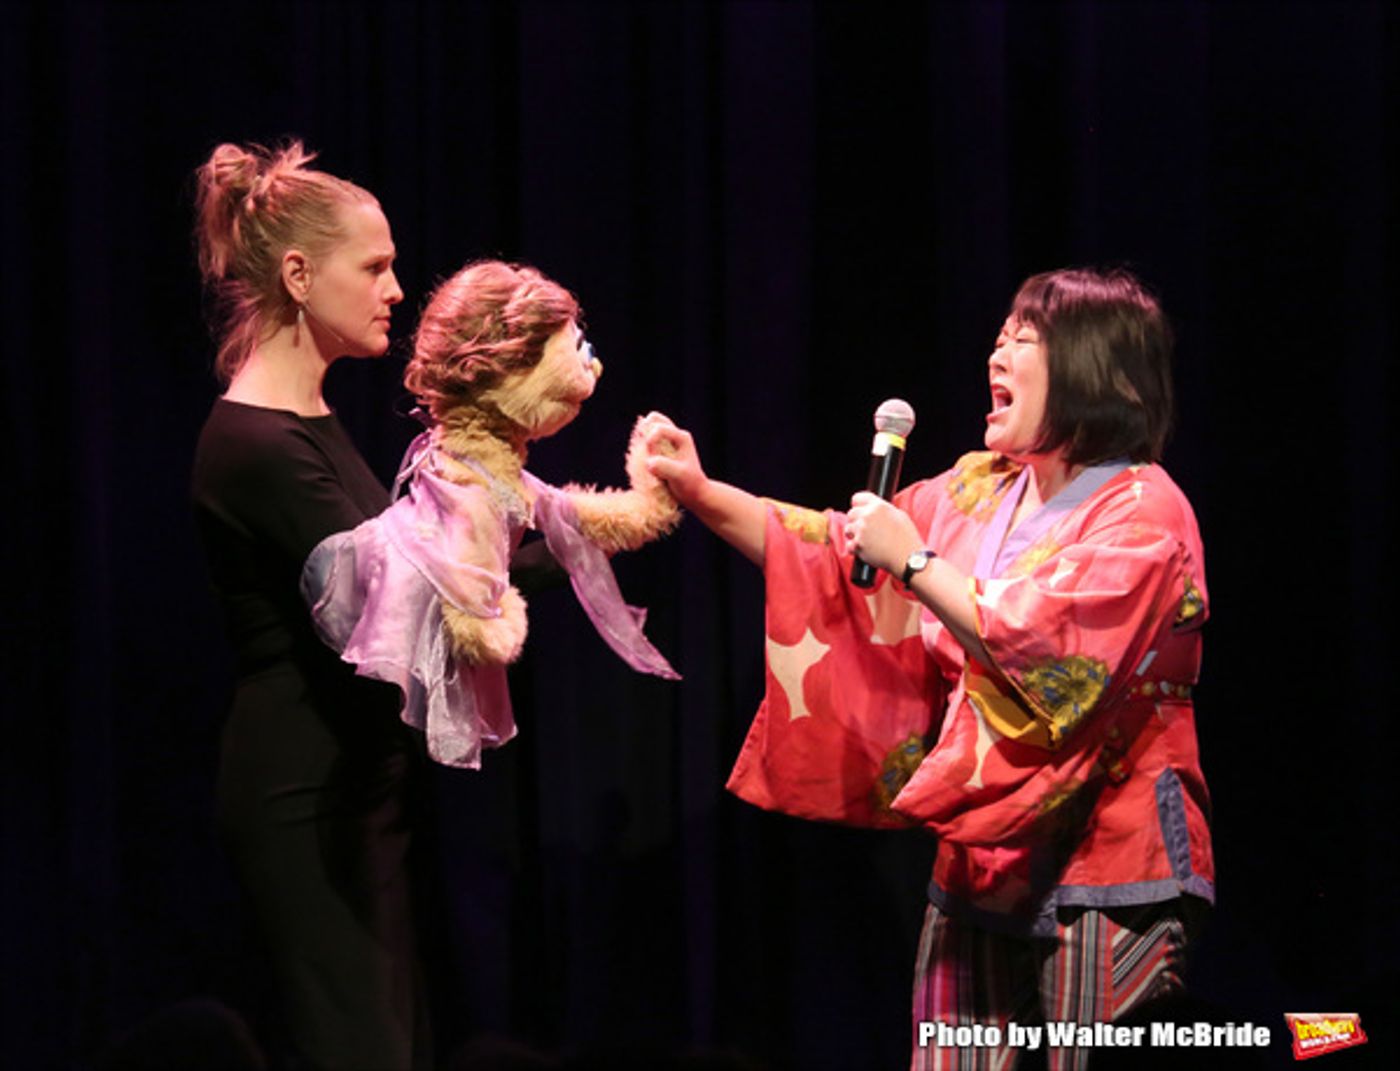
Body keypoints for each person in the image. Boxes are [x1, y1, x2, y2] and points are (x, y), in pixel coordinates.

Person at [643, 268, 1212, 1070]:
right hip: (981, 864)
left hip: (1109, 864)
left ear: (1092, 366)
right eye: (1000, 332)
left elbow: (1048, 646)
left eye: (1026, 336)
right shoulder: (980, 490)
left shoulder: (1144, 511)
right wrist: (701, 493)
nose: (998, 348)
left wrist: (911, 558)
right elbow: (836, 555)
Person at [189, 140, 431, 1070]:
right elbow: (409, 590)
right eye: (373, 267)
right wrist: (582, 536)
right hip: (305, 800)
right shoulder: (253, 445)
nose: (395, 289)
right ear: (298, 273)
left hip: (361, 786)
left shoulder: (312, 419)